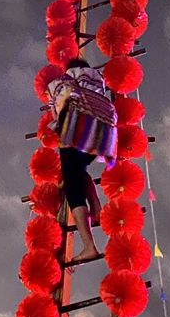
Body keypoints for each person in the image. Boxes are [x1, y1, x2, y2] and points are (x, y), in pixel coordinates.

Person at [47, 56, 118, 264]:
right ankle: (95, 204)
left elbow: (58, 110)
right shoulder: (98, 81)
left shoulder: (63, 81)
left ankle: (89, 246)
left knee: (73, 187)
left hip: (76, 127)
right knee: (78, 170)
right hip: (102, 133)